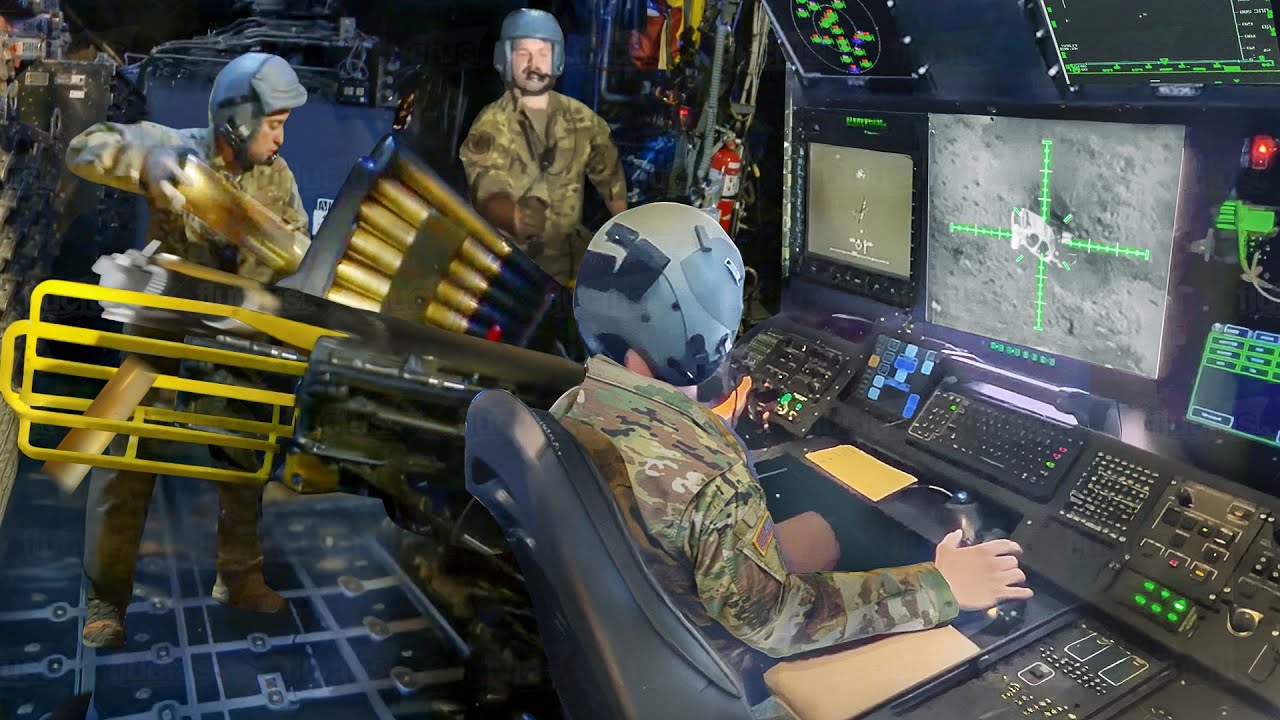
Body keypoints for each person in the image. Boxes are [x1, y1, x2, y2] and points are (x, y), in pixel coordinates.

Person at [551, 202, 1034, 673]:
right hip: (714, 668)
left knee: (833, 527)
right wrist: (942, 586)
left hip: (635, 626)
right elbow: (774, 621)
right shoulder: (711, 476)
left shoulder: (574, 405)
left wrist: (703, 433)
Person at [64, 52, 309, 649]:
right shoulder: (176, 146)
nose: (280, 138)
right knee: (124, 461)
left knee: (245, 460)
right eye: (274, 124)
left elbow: (298, 251)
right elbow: (84, 147)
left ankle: (239, 579)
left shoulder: (277, 178)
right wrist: (149, 162)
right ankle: (106, 599)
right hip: (162, 334)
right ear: (239, 118)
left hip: (232, 341)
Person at [459, 8, 628, 288]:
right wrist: (514, 215)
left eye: (543, 54)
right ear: (505, 59)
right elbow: (485, 192)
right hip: (512, 264)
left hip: (569, 260)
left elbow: (608, 172)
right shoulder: (491, 126)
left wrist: (624, 223)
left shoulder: (579, 117)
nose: (534, 64)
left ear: (557, 60)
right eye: (523, 54)